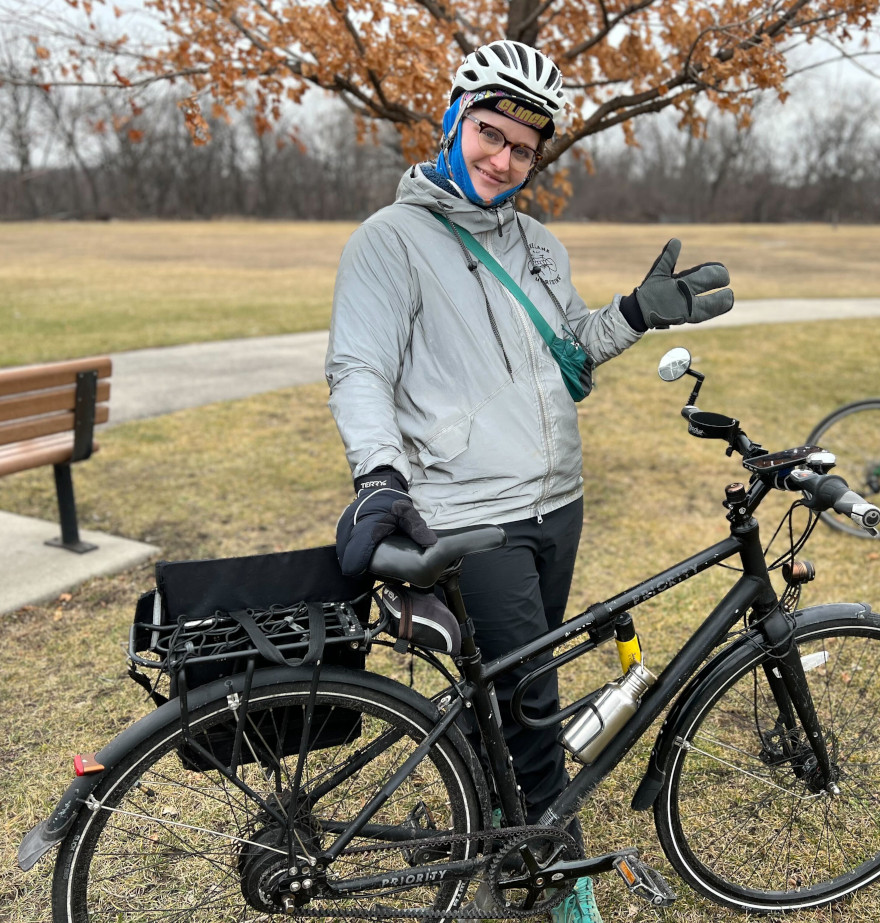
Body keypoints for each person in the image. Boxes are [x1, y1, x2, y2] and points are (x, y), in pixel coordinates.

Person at [326, 39, 734, 923]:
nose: (502, 159)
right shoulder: (389, 242)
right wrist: (380, 474)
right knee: (536, 705)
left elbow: (568, 354)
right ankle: (556, 878)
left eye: (522, 147)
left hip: (559, 500)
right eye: (488, 133)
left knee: (510, 685)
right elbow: (358, 370)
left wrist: (631, 314)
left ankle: (481, 820)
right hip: (472, 517)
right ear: (452, 121)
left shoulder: (538, 244)